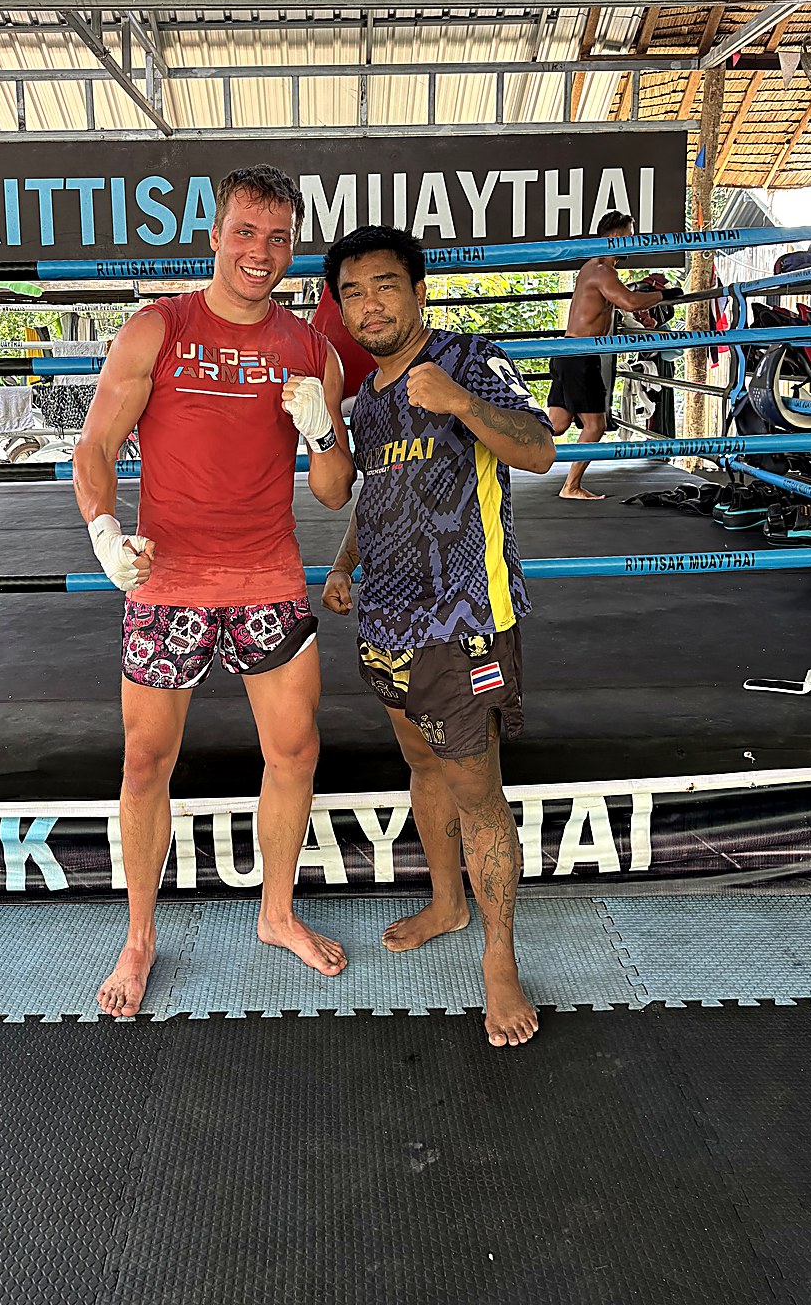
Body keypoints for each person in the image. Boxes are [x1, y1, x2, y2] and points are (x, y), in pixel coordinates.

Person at [74, 164, 356, 1019]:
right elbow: (95, 447)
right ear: (215, 234)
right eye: (245, 233)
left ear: (292, 248)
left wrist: (323, 427)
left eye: (277, 239)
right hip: (168, 582)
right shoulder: (157, 329)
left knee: (295, 751)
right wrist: (102, 530)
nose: (258, 253)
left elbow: (335, 491)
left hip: (267, 575)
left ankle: (275, 915)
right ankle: (139, 936)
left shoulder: (311, 352)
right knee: (145, 760)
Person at [320, 224, 555, 1048]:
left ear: (419, 291)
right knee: (420, 762)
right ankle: (450, 902)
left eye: (384, 284)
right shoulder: (369, 398)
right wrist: (345, 562)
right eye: (351, 291)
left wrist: (459, 402)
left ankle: (498, 958)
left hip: (463, 626)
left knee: (478, 792)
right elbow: (372, 493)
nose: (368, 303)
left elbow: (539, 449)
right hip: (385, 622)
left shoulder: (469, 357)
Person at [546, 210, 680, 501]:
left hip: (568, 353)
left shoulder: (591, 267)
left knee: (556, 425)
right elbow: (629, 302)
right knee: (596, 425)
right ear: (616, 237)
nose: (632, 242)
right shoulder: (603, 271)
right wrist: (664, 295)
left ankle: (498, 444)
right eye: (629, 236)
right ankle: (571, 486)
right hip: (581, 356)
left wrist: (646, 316)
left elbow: (618, 306)